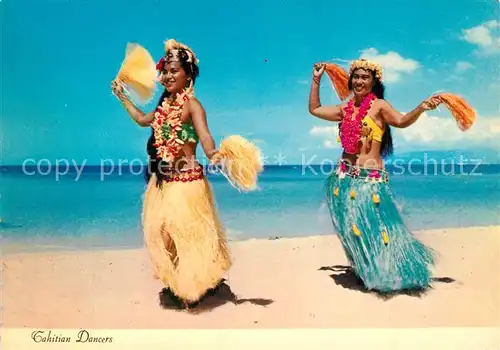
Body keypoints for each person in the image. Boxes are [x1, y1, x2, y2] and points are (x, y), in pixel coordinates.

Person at [111, 39, 230, 309]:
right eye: (165, 71)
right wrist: (122, 96)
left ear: (188, 74)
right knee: (163, 235)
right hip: (163, 184)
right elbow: (143, 120)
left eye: (174, 70)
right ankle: (179, 282)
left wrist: (218, 154)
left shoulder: (193, 106)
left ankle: (191, 290)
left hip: (188, 185)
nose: (167, 76)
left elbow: (206, 139)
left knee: (188, 236)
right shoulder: (163, 108)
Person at [308, 59, 442, 293]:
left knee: (380, 229)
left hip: (370, 181)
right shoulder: (344, 109)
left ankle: (389, 271)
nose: (359, 81)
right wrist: (316, 79)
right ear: (351, 80)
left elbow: (400, 121)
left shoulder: (379, 106)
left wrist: (421, 108)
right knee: (353, 229)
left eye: (365, 77)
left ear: (373, 82)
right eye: (356, 77)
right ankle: (367, 269)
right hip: (344, 177)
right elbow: (315, 109)